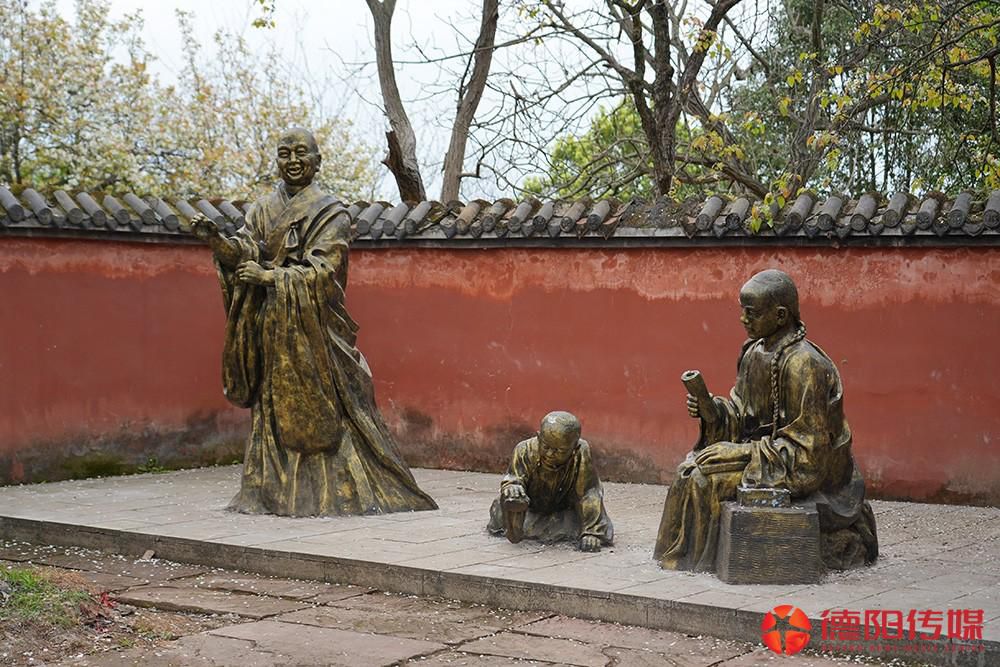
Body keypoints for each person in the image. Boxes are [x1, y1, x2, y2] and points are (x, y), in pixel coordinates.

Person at [190, 127, 436, 517]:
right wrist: (218, 242)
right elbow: (246, 249)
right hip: (272, 325)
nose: (292, 161)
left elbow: (325, 270)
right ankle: (269, 493)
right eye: (284, 153)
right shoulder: (261, 209)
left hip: (315, 329)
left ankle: (337, 492)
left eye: (300, 153)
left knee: (332, 406)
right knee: (272, 411)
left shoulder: (330, 212)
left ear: (317, 162)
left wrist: (270, 277)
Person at [654, 269, 877, 571]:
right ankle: (677, 562)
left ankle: (694, 563)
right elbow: (741, 414)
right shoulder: (753, 352)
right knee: (688, 469)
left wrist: (741, 453)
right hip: (768, 456)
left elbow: (809, 456)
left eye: (752, 313)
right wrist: (712, 411)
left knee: (701, 480)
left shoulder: (804, 364)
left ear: (780, 315)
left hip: (810, 474)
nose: (743, 319)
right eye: (742, 311)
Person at [487, 411, 613, 551]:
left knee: (588, 503)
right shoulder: (524, 450)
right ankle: (516, 523)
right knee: (502, 507)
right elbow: (513, 478)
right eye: (545, 447)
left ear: (574, 447)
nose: (549, 454)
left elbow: (587, 492)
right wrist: (513, 487)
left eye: (559, 450)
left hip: (563, 510)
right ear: (539, 437)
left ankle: (588, 530)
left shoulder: (581, 452)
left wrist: (592, 532)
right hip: (531, 507)